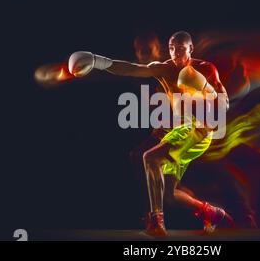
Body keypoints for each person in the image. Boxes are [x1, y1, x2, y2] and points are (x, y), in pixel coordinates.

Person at [68, 31, 230, 236]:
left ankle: (156, 222)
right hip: (182, 130)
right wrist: (98, 61)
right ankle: (211, 213)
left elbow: (224, 104)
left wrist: (206, 88)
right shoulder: (164, 68)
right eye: (172, 48)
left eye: (181, 48)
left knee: (150, 158)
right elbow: (132, 69)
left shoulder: (205, 68)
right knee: (168, 194)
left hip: (199, 129)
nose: (176, 53)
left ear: (191, 49)